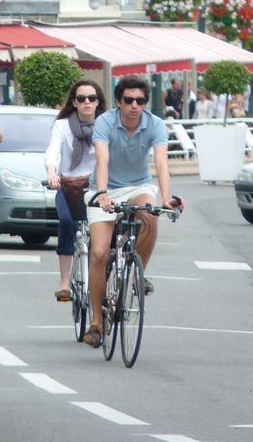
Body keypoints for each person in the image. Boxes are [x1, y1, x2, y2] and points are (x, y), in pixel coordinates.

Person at [82, 76, 186, 347]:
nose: (134, 106)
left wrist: (165, 197)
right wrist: (102, 193)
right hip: (105, 189)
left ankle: (137, 275)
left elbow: (161, 163)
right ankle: (95, 321)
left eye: (140, 101)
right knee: (100, 252)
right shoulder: (105, 122)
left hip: (138, 185)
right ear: (118, 101)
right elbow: (102, 158)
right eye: (128, 100)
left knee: (150, 215)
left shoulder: (155, 124)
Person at [44, 80, 107, 302]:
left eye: (91, 98)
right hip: (68, 184)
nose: (87, 102)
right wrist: (52, 172)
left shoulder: (105, 124)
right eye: (81, 99)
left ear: (99, 102)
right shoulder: (62, 125)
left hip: (96, 187)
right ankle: (64, 282)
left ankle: (105, 274)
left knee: (108, 229)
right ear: (74, 102)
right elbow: (53, 151)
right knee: (67, 223)